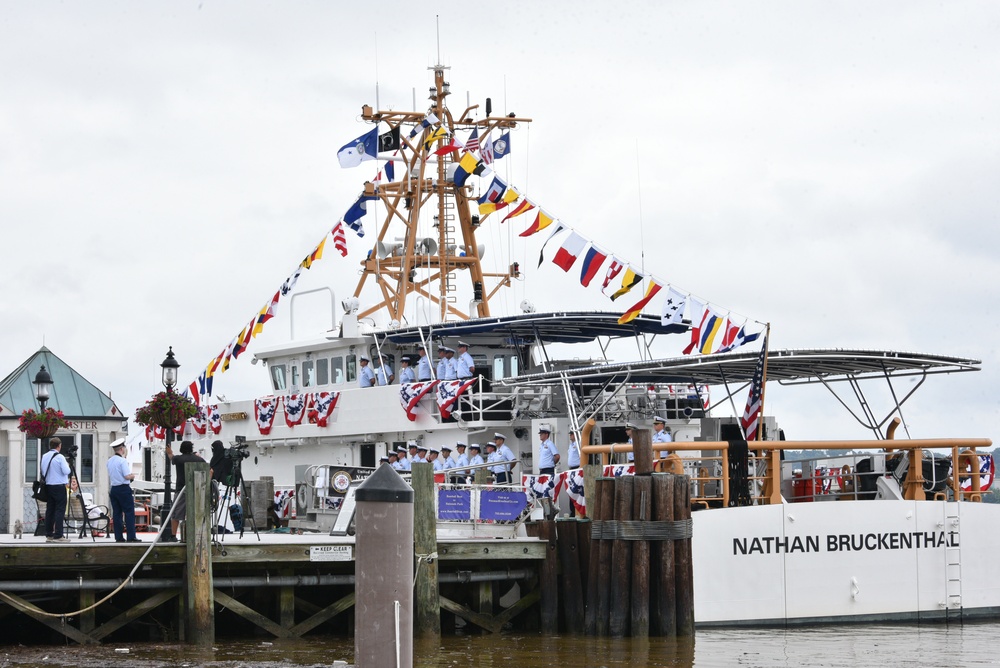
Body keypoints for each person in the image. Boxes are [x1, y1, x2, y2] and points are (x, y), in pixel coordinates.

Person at [165, 440, 207, 542]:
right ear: (191, 449)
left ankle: (173, 536)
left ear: (181, 449)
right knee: (196, 513)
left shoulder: (178, 459)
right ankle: (197, 535)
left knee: (176, 514)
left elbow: (171, 457)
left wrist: (169, 451)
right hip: (196, 491)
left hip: (181, 491)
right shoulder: (199, 460)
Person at [107, 438, 141, 543]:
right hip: (123, 488)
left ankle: (119, 537)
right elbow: (126, 476)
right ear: (122, 449)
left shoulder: (109, 461)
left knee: (117, 513)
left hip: (114, 488)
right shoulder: (122, 461)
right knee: (129, 512)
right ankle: (131, 536)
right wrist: (132, 476)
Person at [41, 437, 72, 543]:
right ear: (59, 446)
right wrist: (68, 464)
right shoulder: (60, 457)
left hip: (48, 486)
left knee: (50, 510)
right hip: (59, 486)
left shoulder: (44, 456)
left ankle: (49, 534)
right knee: (60, 510)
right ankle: (58, 535)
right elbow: (66, 471)